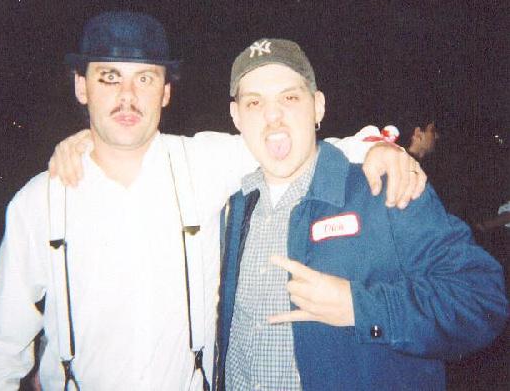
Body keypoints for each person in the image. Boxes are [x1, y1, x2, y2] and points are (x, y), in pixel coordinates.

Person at [0, 12, 425, 390]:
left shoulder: (201, 162)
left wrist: (377, 147)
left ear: (165, 91)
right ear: (82, 86)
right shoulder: (39, 202)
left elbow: (295, 142)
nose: (128, 96)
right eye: (109, 78)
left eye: (145, 78)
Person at [214, 38, 508, 390]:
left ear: (317, 107)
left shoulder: (385, 189)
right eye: (254, 102)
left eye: (289, 98)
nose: (272, 116)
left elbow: (482, 301)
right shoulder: (229, 207)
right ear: (237, 116)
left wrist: (360, 307)